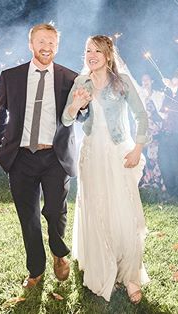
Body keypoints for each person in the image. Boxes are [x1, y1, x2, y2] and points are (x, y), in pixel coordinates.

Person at [0, 23, 78, 290]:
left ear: (57, 46)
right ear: (31, 44)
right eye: (41, 41)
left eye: (51, 42)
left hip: (55, 156)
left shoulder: (69, 78)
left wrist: (82, 103)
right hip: (21, 156)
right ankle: (35, 269)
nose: (46, 47)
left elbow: (80, 114)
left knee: (55, 210)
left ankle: (59, 252)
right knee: (28, 216)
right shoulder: (11, 76)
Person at [62, 35, 149, 304]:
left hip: (117, 153)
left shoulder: (121, 82)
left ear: (108, 55)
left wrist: (137, 149)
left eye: (97, 50)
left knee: (124, 210)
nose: (91, 54)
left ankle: (130, 275)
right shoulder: (81, 82)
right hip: (91, 154)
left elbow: (142, 116)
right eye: (88, 49)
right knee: (97, 208)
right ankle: (100, 266)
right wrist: (77, 104)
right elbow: (66, 118)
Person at [138, 74, 165, 191]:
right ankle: (146, 181)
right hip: (143, 130)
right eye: (143, 80)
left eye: (147, 79)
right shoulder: (140, 94)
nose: (145, 82)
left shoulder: (158, 95)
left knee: (154, 156)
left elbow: (162, 113)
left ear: (152, 81)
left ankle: (157, 182)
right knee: (144, 156)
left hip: (155, 130)